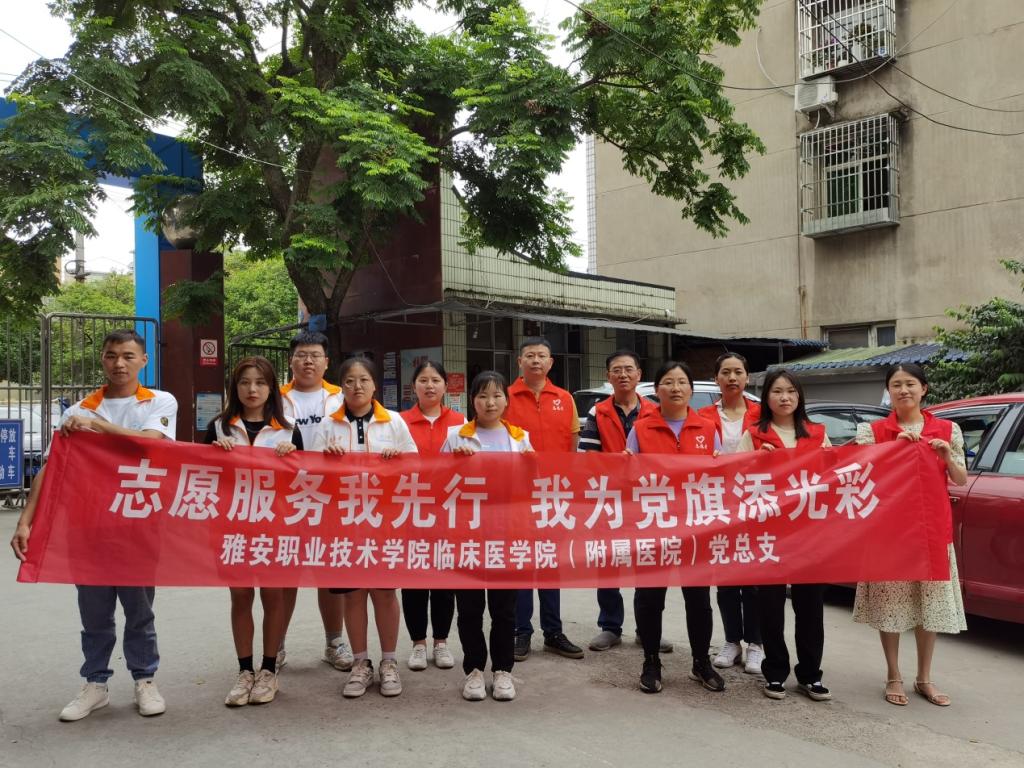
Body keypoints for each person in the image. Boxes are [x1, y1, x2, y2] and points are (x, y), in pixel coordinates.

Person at [10, 329, 177, 721]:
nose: (119, 363)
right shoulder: (79, 410)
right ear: (102, 359)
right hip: (88, 526)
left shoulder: (159, 401)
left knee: (139, 611)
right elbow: (52, 468)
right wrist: (25, 521)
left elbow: (150, 443)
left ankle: (145, 679)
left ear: (143, 360)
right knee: (94, 614)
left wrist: (97, 427)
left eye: (128, 356)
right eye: (111, 355)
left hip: (138, 523)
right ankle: (95, 684)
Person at [852, 363, 967, 707]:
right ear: (889, 391)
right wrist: (892, 450)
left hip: (931, 530)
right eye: (897, 385)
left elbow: (960, 478)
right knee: (891, 605)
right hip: (888, 532)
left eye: (910, 384)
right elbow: (860, 474)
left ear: (924, 389)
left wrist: (946, 456)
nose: (904, 390)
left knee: (927, 605)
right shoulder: (872, 431)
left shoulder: (947, 429)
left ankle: (924, 677)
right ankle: (893, 674)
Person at [315, 356, 418, 698]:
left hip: (384, 521)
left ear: (375, 385)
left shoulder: (395, 422)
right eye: (349, 381)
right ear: (341, 387)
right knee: (354, 593)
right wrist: (325, 459)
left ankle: (389, 661)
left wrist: (398, 462)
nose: (357, 386)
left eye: (363, 380)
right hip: (343, 522)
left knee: (385, 592)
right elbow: (308, 474)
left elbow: (417, 466)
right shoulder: (328, 425)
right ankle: (361, 663)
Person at [204, 356, 301, 706]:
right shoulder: (219, 427)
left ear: (271, 388)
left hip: (276, 527)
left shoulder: (288, 431)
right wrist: (214, 454)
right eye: (245, 382)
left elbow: (306, 484)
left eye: (260, 382)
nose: (252, 389)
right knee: (241, 597)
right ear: (235, 387)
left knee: (273, 597)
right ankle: (245, 670)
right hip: (232, 527)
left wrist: (294, 456)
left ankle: (269, 670)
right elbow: (201, 476)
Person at [626, 361, 724, 694]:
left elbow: (720, 477)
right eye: (668, 382)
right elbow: (627, 478)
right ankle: (651, 661)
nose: (676, 388)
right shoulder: (641, 429)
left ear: (691, 390)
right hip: (653, 526)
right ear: (657, 390)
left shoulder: (708, 429)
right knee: (650, 598)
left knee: (699, 600)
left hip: (695, 528)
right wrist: (625, 465)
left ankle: (701, 662)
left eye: (682, 382)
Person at [736, 369, 833, 702]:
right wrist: (755, 462)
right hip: (769, 533)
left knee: (810, 607)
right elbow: (735, 478)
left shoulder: (818, 434)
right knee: (770, 606)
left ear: (799, 396)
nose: (785, 397)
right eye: (777, 391)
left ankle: (810, 674)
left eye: (791, 391)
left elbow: (834, 475)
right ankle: (775, 672)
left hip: (810, 533)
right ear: (766, 398)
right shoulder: (754, 435)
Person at [442, 370, 531, 701]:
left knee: (504, 609)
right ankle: (474, 670)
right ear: (472, 401)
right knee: (469, 609)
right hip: (467, 537)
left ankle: (503, 670)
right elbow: (437, 483)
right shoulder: (456, 436)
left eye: (496, 395)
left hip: (507, 535)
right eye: (482, 396)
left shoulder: (520, 438)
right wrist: (454, 463)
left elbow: (532, 484)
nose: (490, 402)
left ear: (506, 400)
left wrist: (531, 466)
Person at [578, 349, 669, 654]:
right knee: (609, 562)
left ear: (639, 374)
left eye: (629, 369)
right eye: (616, 370)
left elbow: (665, 454)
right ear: (608, 376)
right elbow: (587, 456)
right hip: (610, 497)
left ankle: (647, 628)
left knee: (649, 563)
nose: (623, 375)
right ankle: (610, 626)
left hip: (648, 498)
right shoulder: (598, 412)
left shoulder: (655, 411)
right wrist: (618, 464)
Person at [504, 337, 584, 661]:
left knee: (550, 562)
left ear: (551, 363)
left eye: (541, 356)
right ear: (519, 361)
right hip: (517, 494)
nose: (536, 360)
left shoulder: (565, 398)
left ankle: (553, 631)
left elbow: (573, 441)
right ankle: (521, 631)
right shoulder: (505, 397)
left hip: (554, 493)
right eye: (530, 355)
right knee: (523, 562)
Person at [278, 331, 353, 672]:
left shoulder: (342, 397)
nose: (308, 361)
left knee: (330, 571)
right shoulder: (274, 399)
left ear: (326, 362)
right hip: (286, 498)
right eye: (301, 355)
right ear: (291, 360)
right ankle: (276, 646)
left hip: (332, 497)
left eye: (315, 355)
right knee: (285, 574)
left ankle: (334, 642)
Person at [699, 352, 764, 675]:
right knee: (725, 579)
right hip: (718, 504)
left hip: (755, 502)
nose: (732, 378)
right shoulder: (702, 415)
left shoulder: (762, 414)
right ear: (716, 379)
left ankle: (756, 644)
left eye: (738, 372)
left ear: (747, 377)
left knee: (754, 579)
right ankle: (731, 641)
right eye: (725, 372)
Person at [400, 360, 465, 671]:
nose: (429, 386)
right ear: (414, 386)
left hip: (447, 512)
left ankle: (441, 641)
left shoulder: (460, 423)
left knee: (443, 582)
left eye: (435, 380)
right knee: (413, 581)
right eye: (423, 380)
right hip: (410, 510)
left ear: (445, 386)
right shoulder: (400, 422)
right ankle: (418, 643)